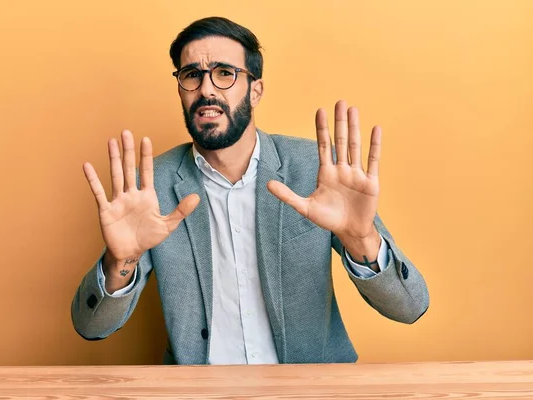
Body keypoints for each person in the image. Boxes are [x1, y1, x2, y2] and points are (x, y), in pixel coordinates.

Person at [71, 16, 429, 365]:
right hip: (198, 394)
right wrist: (121, 261)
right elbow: (90, 327)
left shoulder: (315, 170)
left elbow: (410, 306)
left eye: (225, 73)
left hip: (310, 392)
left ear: (255, 90)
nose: (207, 89)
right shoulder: (153, 186)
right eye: (192, 75)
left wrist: (361, 239)